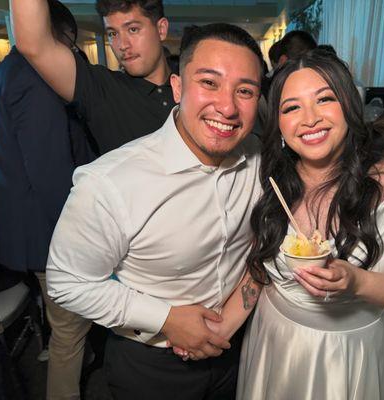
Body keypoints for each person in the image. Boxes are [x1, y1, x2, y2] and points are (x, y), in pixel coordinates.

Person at [181, 48, 384, 399]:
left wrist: (359, 282)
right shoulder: (268, 178)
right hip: (274, 338)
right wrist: (220, 330)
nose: (309, 119)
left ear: (349, 107)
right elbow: (260, 269)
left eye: (324, 99)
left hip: (349, 352)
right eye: (291, 107)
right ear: (277, 123)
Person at [45, 23, 266, 400]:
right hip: (150, 366)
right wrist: (167, 319)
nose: (227, 107)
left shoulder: (260, 161)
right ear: (178, 88)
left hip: (235, 349)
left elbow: (269, 239)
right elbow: (67, 282)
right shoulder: (110, 182)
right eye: (209, 83)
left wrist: (230, 321)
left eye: (244, 91)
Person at [0, 1, 96, 399]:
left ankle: (50, 348)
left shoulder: (1, 73)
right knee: (73, 329)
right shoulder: (37, 80)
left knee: (57, 318)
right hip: (47, 232)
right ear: (58, 38)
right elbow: (51, 174)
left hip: (13, 227)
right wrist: (78, 239)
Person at [11, 0, 176, 154]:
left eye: (133, 29)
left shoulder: (193, 83)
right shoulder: (102, 89)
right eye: (113, 34)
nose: (123, 45)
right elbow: (34, 46)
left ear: (161, 29)